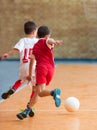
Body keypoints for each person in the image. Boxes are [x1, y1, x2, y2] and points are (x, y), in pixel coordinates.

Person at [16, 26, 62, 120]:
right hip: (51, 69)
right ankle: (27, 110)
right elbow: (49, 41)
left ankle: (54, 92)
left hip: (41, 69)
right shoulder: (45, 41)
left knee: (40, 92)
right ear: (47, 35)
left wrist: (29, 74)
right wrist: (54, 42)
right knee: (37, 91)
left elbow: (32, 61)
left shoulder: (36, 45)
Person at [1, 21, 38, 103]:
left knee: (21, 80)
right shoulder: (37, 41)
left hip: (23, 67)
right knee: (35, 87)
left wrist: (7, 54)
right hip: (33, 68)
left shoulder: (23, 40)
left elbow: (16, 49)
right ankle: (30, 105)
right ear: (34, 31)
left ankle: (13, 88)